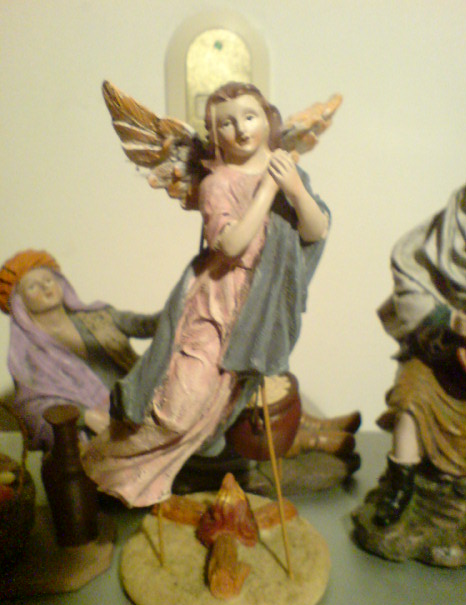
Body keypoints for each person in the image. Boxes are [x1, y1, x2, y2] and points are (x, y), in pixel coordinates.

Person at [82, 82, 332, 507]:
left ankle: (146, 475)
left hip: (259, 309)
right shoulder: (218, 184)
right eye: (227, 123)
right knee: (177, 408)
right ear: (214, 135)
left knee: (213, 410)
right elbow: (231, 245)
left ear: (267, 119)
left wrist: (294, 189)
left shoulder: (288, 171)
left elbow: (316, 230)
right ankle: (103, 460)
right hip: (217, 303)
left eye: (249, 117)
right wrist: (268, 192)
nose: (241, 129)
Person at [373, 160, 466, 526]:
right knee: (410, 399)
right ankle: (400, 486)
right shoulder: (441, 235)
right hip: (439, 353)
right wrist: (448, 319)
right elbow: (409, 288)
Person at [0, 249, 160, 451]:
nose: (45, 288)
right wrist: (85, 417)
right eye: (32, 286)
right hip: (94, 440)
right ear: (20, 303)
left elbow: (147, 325)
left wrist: (184, 304)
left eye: (48, 280)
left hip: (142, 414)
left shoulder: (100, 317)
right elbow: (33, 410)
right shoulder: (29, 356)